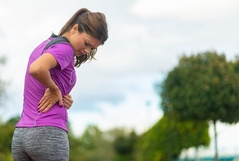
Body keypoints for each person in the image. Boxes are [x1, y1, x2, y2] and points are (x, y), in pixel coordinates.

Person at [11, 8, 108, 161]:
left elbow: (40, 82)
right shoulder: (65, 49)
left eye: (92, 48)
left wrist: (60, 94)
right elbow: (37, 69)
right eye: (87, 43)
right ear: (75, 29)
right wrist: (54, 89)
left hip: (22, 134)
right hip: (47, 133)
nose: (87, 50)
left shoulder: (45, 45)